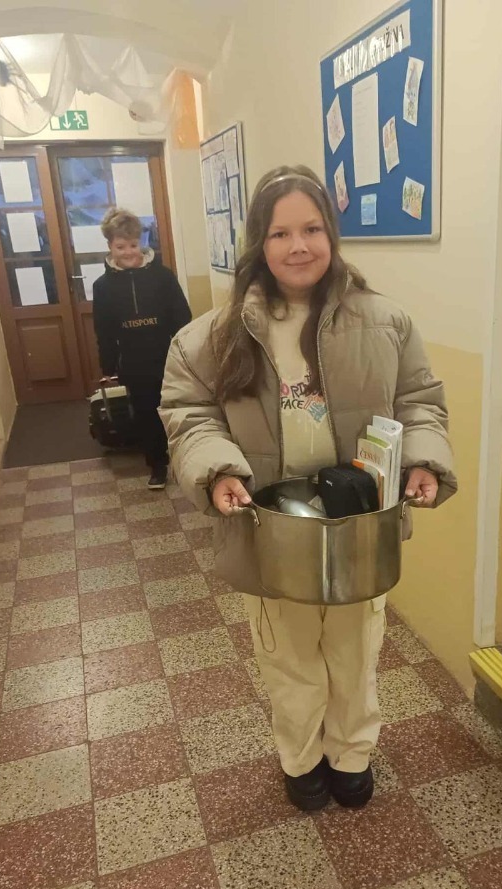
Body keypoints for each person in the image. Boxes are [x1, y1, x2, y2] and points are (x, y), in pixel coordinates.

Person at [160, 165, 457, 810]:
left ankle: (352, 754)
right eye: (280, 233)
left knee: (356, 651)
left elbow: (419, 402)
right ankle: (301, 759)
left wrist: (424, 462)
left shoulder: (386, 322)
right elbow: (190, 416)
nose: (298, 246)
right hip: (271, 527)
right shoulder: (208, 338)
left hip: (358, 525)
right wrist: (218, 471)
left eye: (312, 229)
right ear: (258, 243)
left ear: (332, 235)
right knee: (289, 658)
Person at [93, 207, 192, 488]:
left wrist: (187, 355)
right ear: (110, 246)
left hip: (167, 357)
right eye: (120, 247)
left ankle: (185, 459)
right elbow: (104, 331)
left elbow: (182, 318)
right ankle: (157, 465)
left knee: (176, 409)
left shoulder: (163, 277)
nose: (128, 252)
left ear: (141, 243)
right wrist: (108, 367)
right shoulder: (103, 287)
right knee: (147, 414)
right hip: (133, 362)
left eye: (133, 245)